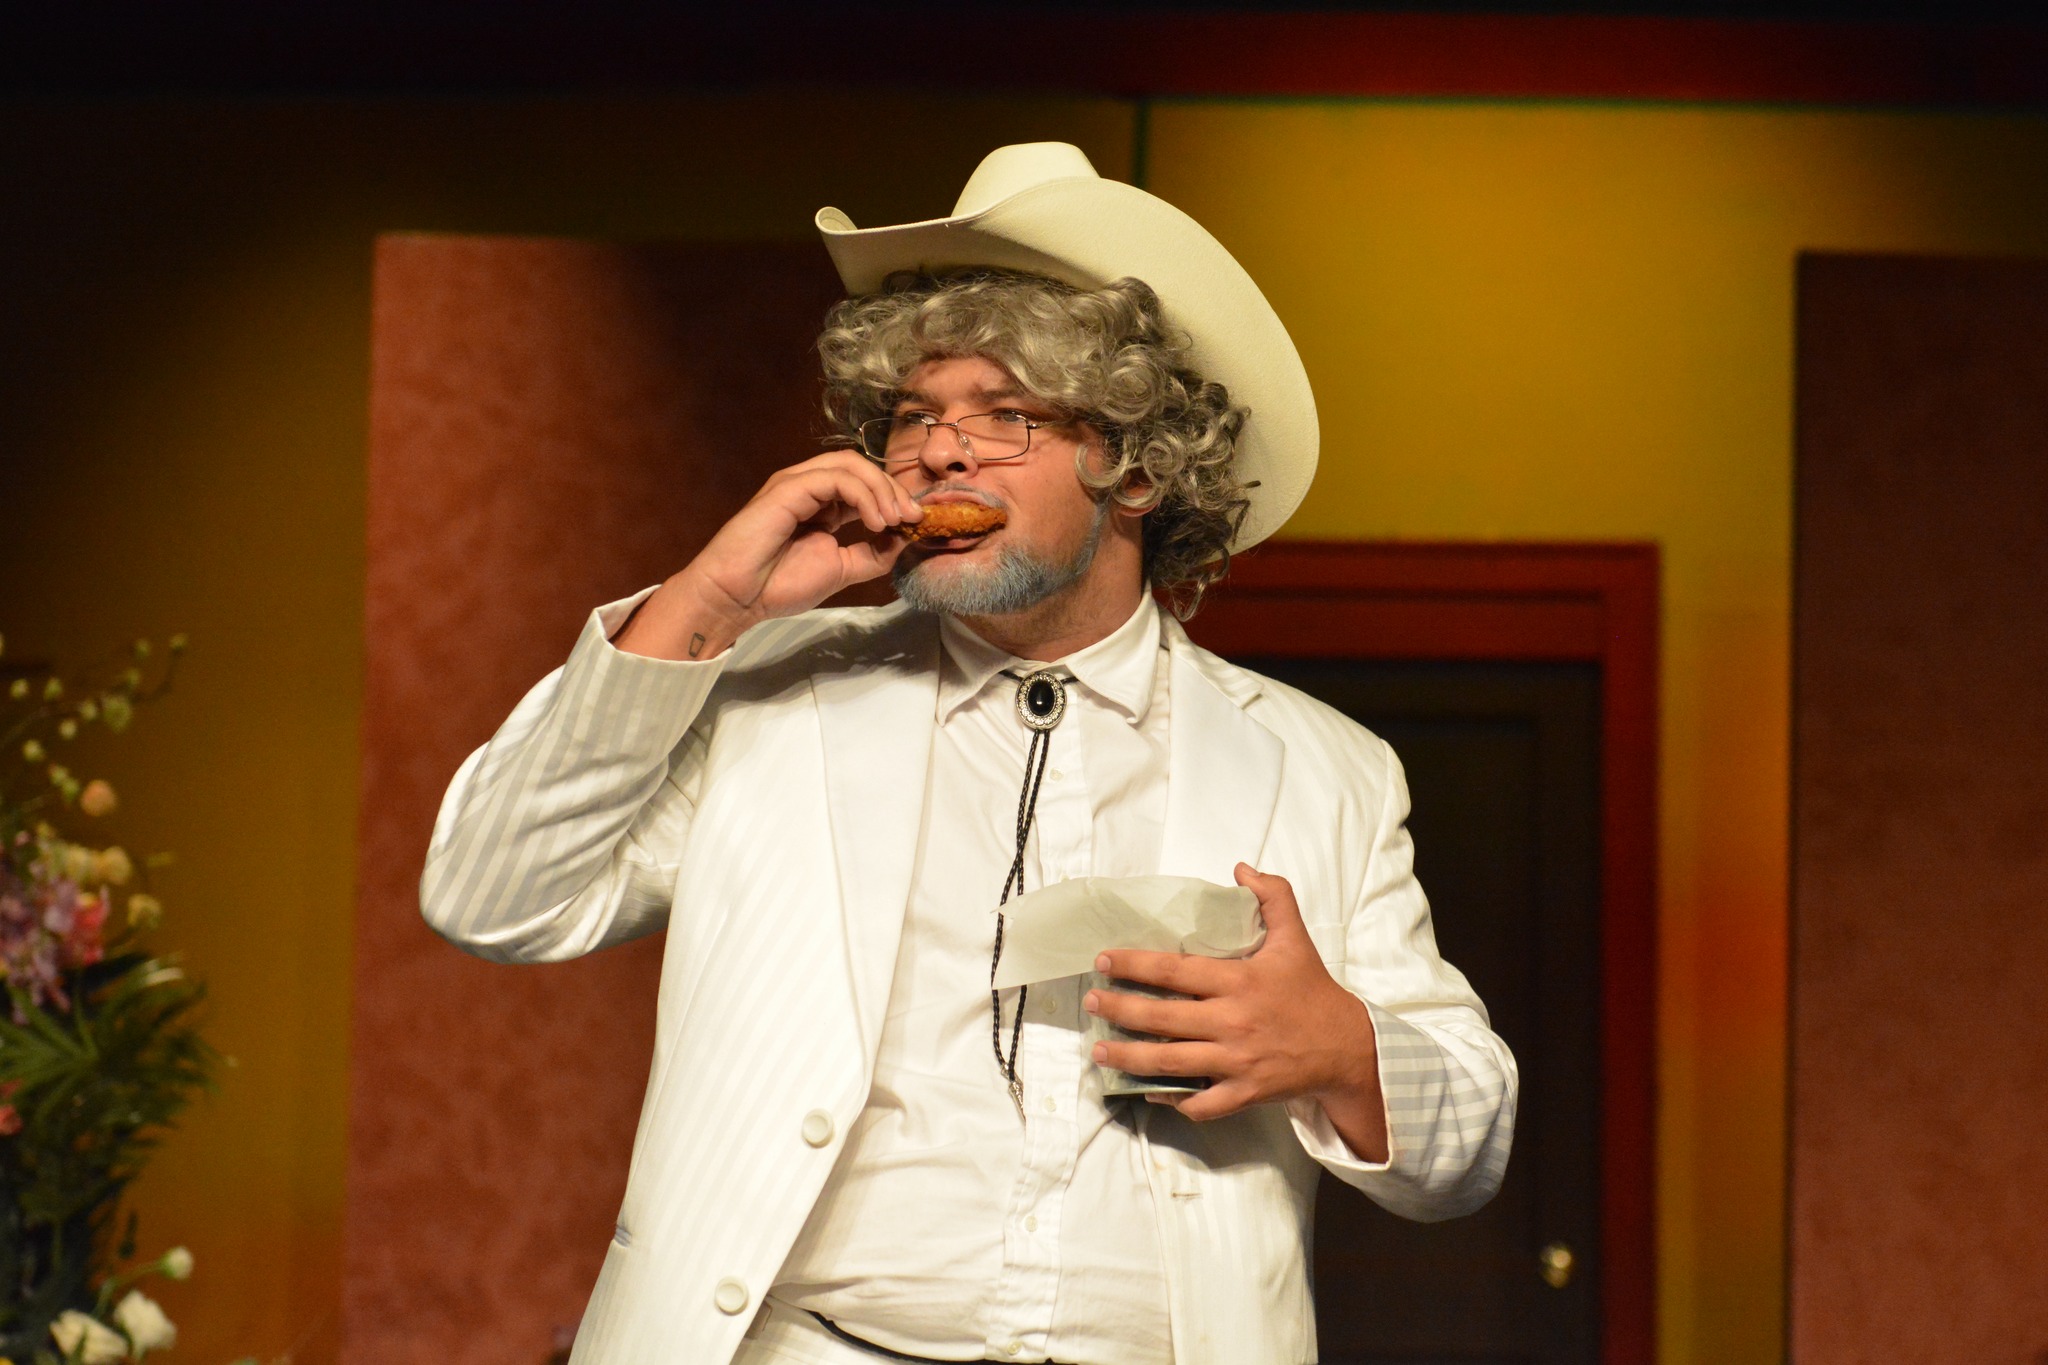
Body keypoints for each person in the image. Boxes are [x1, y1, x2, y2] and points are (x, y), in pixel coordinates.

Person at [421, 142, 1515, 1365]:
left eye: (1006, 418)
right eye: (912, 418)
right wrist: (711, 598)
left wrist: (1333, 1047)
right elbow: (491, 894)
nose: (941, 455)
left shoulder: (1325, 769)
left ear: (1139, 466)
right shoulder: (763, 697)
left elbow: (1468, 1140)